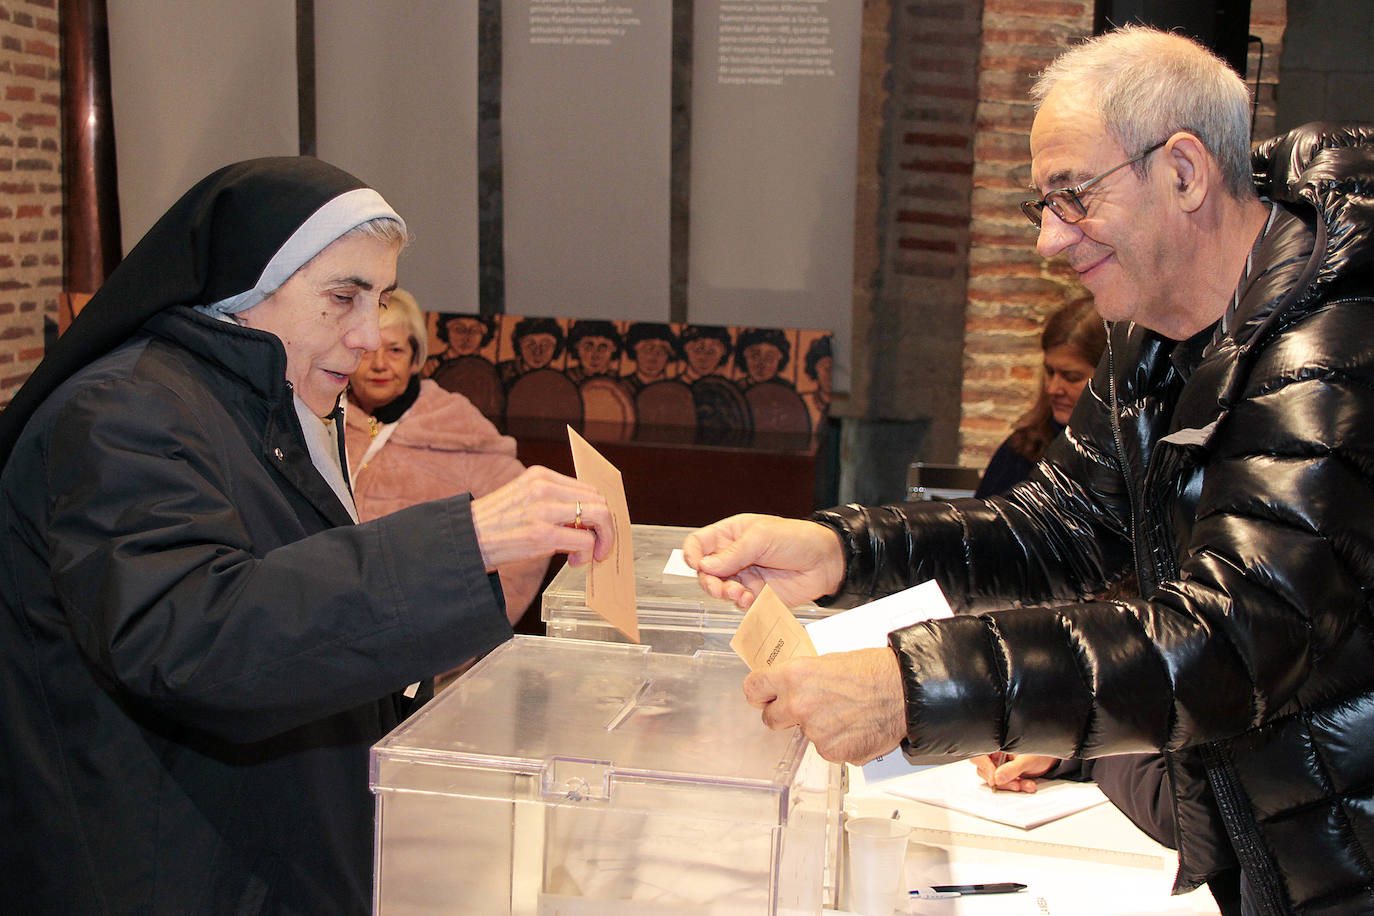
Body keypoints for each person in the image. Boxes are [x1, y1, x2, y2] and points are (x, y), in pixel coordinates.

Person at [684, 26, 1374, 916]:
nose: (1050, 241)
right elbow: (1053, 524)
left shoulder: (1333, 345)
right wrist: (840, 549)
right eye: (1041, 205)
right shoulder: (1151, 337)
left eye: (1074, 197)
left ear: (1185, 171)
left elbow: (1232, 639)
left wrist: (917, 684)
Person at [0, 157, 612, 914]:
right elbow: (196, 640)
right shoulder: (123, 415)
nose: (367, 335)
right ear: (241, 288)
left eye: (382, 299)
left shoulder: (261, 401)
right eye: (342, 297)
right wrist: (466, 540)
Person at [345, 287, 547, 630]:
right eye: (368, 351)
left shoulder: (456, 430)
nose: (380, 364)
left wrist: (463, 635)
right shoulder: (319, 423)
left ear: (415, 358)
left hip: (427, 647)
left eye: (395, 350)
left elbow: (529, 532)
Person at [974, 297, 1105, 497]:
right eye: (1050, 372)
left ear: (1109, 378)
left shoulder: (1134, 457)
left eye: (1070, 377)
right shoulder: (1024, 448)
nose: (1053, 389)